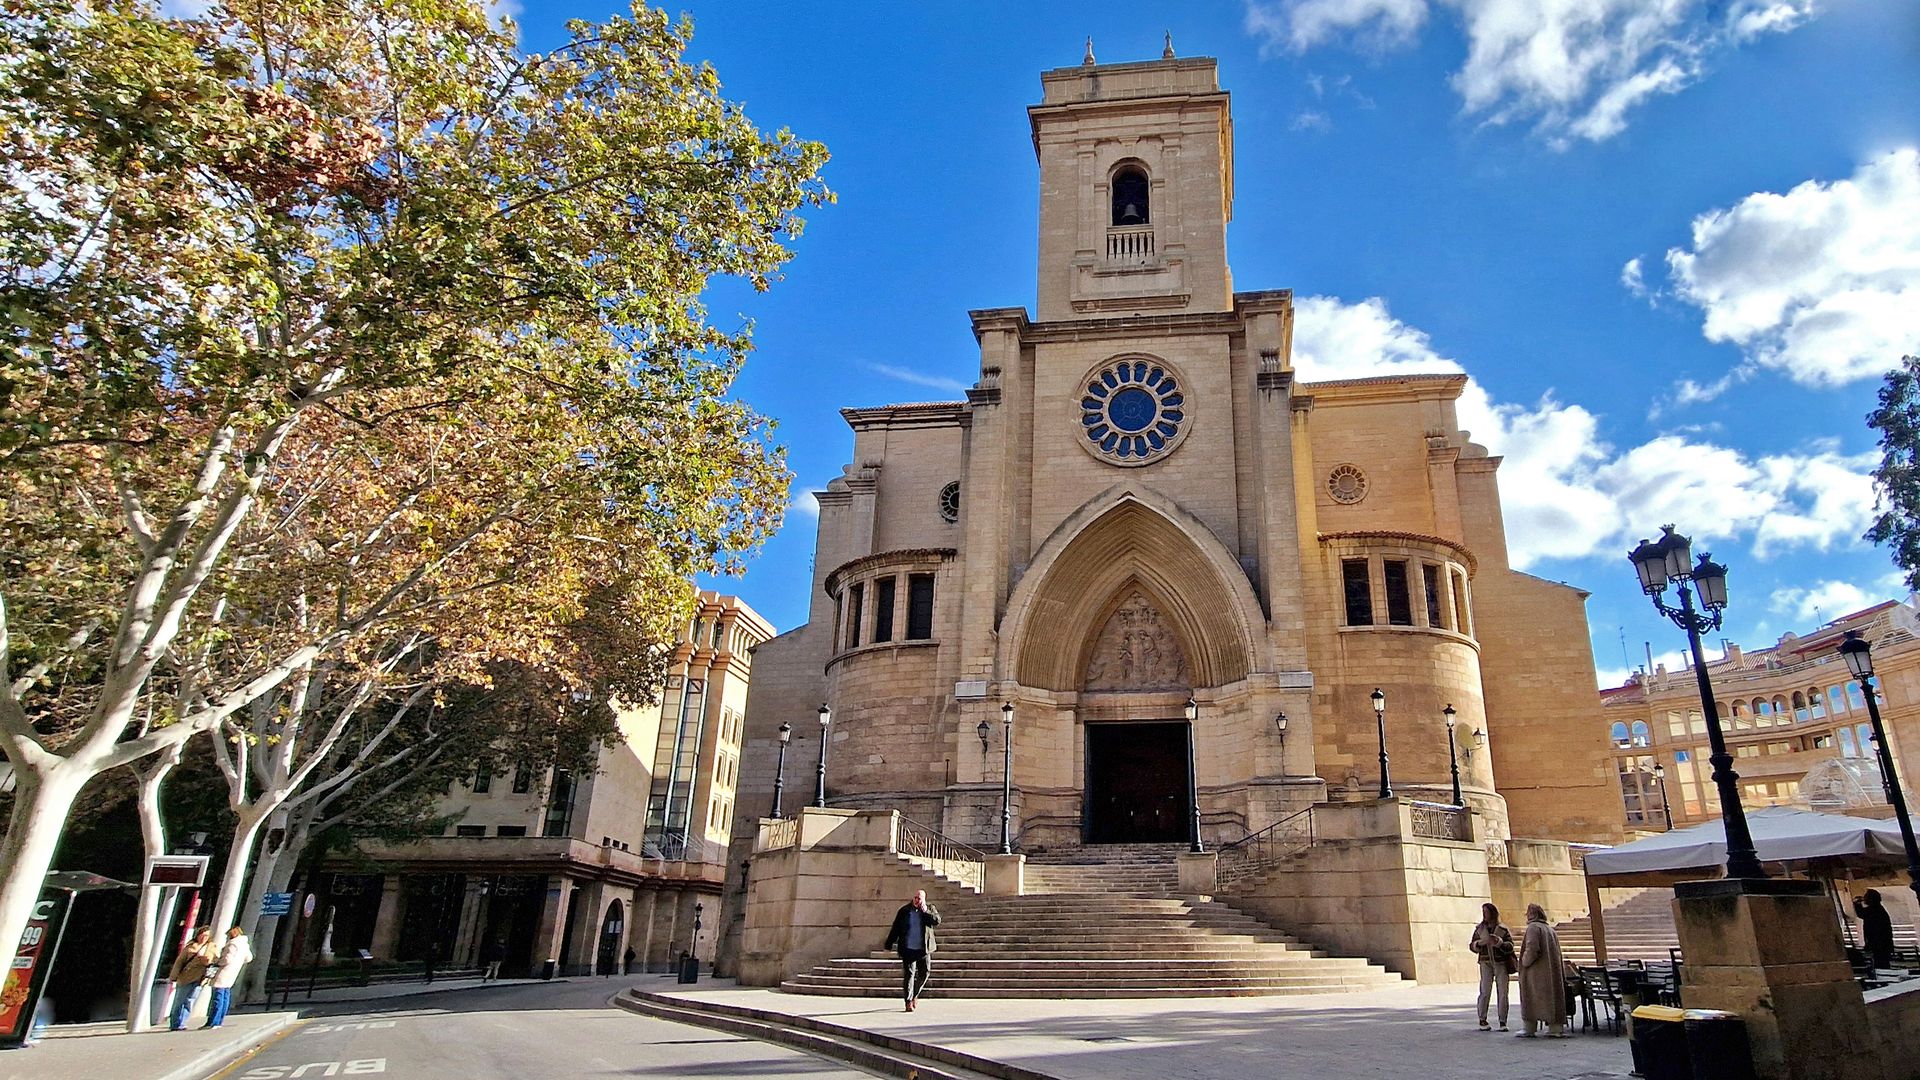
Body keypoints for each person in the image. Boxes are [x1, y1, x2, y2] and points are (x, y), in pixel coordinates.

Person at [882, 889, 941, 1012]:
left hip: (923, 949)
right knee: (909, 974)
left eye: (919, 898)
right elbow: (895, 928)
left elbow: (937, 921)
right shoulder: (904, 911)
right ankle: (908, 1001)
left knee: (925, 972)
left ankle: (914, 994)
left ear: (924, 899)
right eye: (915, 898)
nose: (917, 900)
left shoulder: (929, 908)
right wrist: (889, 943)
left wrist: (925, 911)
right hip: (908, 948)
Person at [1517, 903, 1568, 1038]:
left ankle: (1529, 1027)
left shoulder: (1533, 928)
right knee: (1552, 999)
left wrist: (1524, 962)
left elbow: (1532, 948)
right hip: (1551, 971)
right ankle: (1555, 1028)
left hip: (1536, 972)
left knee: (1531, 998)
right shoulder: (1549, 929)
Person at [1468, 902, 1515, 1031]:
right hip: (1485, 963)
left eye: (1486, 912)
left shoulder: (1502, 930)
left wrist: (1500, 943)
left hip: (1501, 963)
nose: (1484, 915)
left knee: (1503, 992)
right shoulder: (1479, 929)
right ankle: (1482, 1019)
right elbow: (1472, 946)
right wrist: (1479, 943)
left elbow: (1510, 946)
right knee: (1485, 991)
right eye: (1483, 912)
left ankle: (1502, 1021)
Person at [166, 928, 219, 1031]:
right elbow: (179, 962)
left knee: (190, 1000)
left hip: (200, 978)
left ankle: (182, 1022)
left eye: (207, 936)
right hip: (186, 976)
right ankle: (175, 1023)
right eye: (202, 935)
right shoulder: (190, 947)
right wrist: (173, 976)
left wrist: (207, 962)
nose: (204, 938)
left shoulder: (212, 947)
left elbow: (216, 961)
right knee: (179, 1001)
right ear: (197, 935)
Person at [204, 926, 253, 1029]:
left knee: (218, 997)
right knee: (225, 996)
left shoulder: (232, 944)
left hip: (224, 972)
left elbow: (226, 959)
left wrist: (217, 962)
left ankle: (213, 1021)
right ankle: (219, 1021)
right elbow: (249, 958)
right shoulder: (244, 944)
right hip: (233, 972)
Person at [1855, 888, 1896, 969]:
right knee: (1881, 962)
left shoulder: (1875, 909)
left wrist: (1857, 904)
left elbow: (1862, 914)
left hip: (1879, 943)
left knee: (1880, 964)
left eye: (1866, 897)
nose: (1865, 899)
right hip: (1880, 942)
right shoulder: (1878, 909)